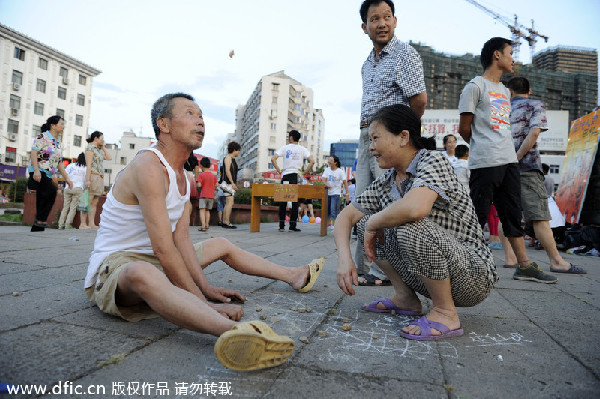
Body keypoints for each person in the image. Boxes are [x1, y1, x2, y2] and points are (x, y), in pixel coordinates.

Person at [84, 93, 324, 371]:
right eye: (189, 114)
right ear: (164, 124)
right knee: (141, 272)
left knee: (220, 243)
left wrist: (205, 289)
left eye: (201, 116)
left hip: (158, 262)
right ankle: (234, 334)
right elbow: (163, 248)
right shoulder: (148, 166)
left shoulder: (184, 177)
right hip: (118, 265)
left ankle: (294, 275)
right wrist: (206, 304)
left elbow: (182, 240)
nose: (200, 121)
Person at [335, 104, 496, 340]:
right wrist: (344, 258)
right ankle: (405, 299)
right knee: (366, 220)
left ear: (403, 137)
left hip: (473, 276)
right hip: (430, 273)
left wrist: (373, 224)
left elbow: (416, 208)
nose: (370, 148)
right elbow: (345, 217)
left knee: (404, 223)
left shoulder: (433, 161)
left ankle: (445, 313)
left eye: (375, 138)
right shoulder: (387, 180)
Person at [458, 37, 557, 284]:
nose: (514, 58)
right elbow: (464, 128)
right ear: (497, 55)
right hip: (485, 162)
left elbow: (501, 127)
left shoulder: (503, 90)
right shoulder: (475, 86)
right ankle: (459, 263)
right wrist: (483, 146)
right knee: (477, 214)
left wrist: (503, 151)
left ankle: (524, 265)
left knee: (512, 214)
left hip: (509, 161)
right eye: (510, 53)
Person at [356, 0, 427, 283]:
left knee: (388, 203)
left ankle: (383, 273)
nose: (382, 23)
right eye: (375, 19)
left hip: (390, 138)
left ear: (395, 21)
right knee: (362, 202)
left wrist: (402, 136)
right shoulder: (366, 64)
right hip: (365, 135)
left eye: (387, 17)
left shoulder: (405, 54)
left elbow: (419, 101)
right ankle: (365, 267)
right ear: (365, 27)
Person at [499, 77, 585, 274]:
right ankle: (556, 261)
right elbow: (534, 133)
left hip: (501, 168)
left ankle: (511, 258)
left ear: (509, 91)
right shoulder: (535, 104)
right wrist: (517, 158)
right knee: (539, 216)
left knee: (508, 216)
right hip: (526, 167)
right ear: (528, 91)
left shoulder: (500, 109)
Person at [28, 115, 73, 232]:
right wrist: (36, 171)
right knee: (51, 192)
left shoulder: (58, 143)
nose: (63, 127)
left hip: (48, 174)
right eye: (61, 124)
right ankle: (41, 220)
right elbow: (34, 153)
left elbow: (59, 162)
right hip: (39, 171)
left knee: (42, 197)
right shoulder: (43, 137)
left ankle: (37, 227)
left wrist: (67, 178)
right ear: (53, 125)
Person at [271, 130, 315, 232]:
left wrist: (279, 170)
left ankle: (281, 226)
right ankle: (292, 226)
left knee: (283, 200)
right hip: (296, 176)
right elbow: (312, 161)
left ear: (291, 138)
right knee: (295, 202)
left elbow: (273, 159)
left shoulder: (285, 147)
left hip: (285, 176)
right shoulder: (302, 149)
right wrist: (305, 172)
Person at [83, 131, 112, 229]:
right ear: (96, 138)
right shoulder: (90, 148)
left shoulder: (98, 150)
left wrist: (103, 147)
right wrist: (87, 180)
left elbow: (109, 157)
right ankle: (83, 223)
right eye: (101, 138)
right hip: (92, 176)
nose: (103, 140)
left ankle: (91, 223)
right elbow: (89, 165)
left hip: (99, 177)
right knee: (88, 200)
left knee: (95, 201)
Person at [58, 153, 87, 229]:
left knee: (65, 207)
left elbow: (65, 175)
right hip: (78, 188)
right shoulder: (85, 168)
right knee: (73, 208)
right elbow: (85, 180)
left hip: (68, 188)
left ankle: (60, 225)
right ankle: (68, 225)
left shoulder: (70, 165)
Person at [322, 156, 349, 229]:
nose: (329, 161)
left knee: (333, 208)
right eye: (328, 160)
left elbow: (345, 182)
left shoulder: (340, 171)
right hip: (327, 193)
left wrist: (347, 194)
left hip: (336, 193)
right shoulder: (327, 170)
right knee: (327, 209)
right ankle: (327, 224)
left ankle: (333, 225)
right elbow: (323, 179)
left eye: (331, 160)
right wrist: (326, 184)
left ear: (335, 162)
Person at [220, 141, 241, 229]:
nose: (239, 152)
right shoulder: (228, 158)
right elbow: (228, 171)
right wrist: (232, 183)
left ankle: (225, 221)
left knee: (228, 203)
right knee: (230, 202)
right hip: (227, 183)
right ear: (234, 150)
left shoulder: (231, 158)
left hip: (228, 183)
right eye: (238, 150)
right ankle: (226, 222)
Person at [196, 157, 217, 232]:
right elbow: (216, 185)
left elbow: (198, 185)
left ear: (201, 165)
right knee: (208, 211)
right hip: (211, 196)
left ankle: (203, 226)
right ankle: (207, 224)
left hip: (203, 195)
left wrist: (202, 185)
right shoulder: (213, 176)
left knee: (202, 210)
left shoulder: (201, 175)